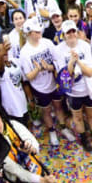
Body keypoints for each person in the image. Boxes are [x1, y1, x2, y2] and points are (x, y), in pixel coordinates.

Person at [18, 17, 76, 146]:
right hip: (39, 88)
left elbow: (58, 62)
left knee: (58, 106)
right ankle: (51, 131)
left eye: (39, 31)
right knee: (46, 110)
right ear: (29, 34)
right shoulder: (24, 53)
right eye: (36, 32)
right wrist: (38, 69)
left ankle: (63, 127)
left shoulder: (47, 43)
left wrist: (49, 67)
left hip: (53, 83)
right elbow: (28, 77)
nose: (40, 33)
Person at [54, 20, 92, 151]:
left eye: (73, 31)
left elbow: (89, 71)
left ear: (76, 32)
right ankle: (83, 137)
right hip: (73, 92)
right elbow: (65, 77)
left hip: (87, 89)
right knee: (77, 117)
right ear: (63, 35)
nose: (71, 34)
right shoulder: (58, 50)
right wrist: (71, 62)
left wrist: (78, 62)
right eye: (68, 32)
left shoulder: (85, 46)